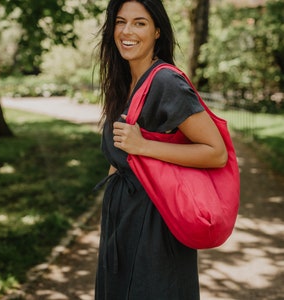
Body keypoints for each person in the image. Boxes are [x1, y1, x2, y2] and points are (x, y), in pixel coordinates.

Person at [95, 0, 227, 299]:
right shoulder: (125, 80)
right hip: (121, 216)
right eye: (120, 21)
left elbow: (215, 151)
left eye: (140, 23)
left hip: (156, 221)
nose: (127, 31)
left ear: (157, 31)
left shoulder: (166, 80)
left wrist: (143, 145)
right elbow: (118, 155)